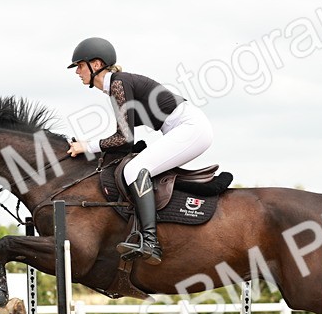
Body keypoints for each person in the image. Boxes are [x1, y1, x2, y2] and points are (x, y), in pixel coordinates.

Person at [64, 37, 214, 266]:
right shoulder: (117, 85)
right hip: (183, 128)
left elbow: (124, 139)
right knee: (133, 166)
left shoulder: (118, 83)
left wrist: (87, 146)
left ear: (96, 64)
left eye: (80, 66)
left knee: (135, 169)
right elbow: (124, 139)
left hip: (190, 128)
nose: (77, 72)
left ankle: (151, 242)